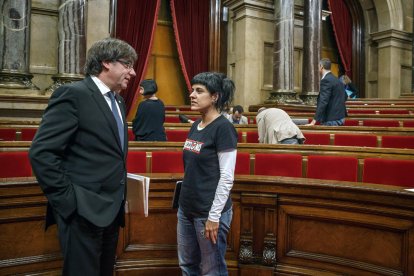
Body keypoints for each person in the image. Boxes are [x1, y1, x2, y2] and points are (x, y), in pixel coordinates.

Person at [29, 38, 137, 276]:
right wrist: (68, 203)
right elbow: (42, 153)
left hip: (111, 210)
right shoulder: (73, 94)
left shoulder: (117, 100)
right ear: (106, 62)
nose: (133, 71)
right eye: (127, 64)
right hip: (82, 211)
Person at [178, 72, 237, 275]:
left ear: (215, 96)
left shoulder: (224, 128)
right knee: (188, 267)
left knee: (212, 270)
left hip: (208, 213)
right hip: (186, 209)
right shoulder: (196, 124)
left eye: (199, 91)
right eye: (192, 90)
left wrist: (214, 216)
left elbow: (227, 177)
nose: (192, 95)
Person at [308, 58, 347, 126]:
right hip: (341, 117)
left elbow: (323, 101)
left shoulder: (326, 80)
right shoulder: (337, 80)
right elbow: (345, 96)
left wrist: (314, 121)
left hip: (331, 119)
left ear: (321, 66)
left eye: (318, 66)